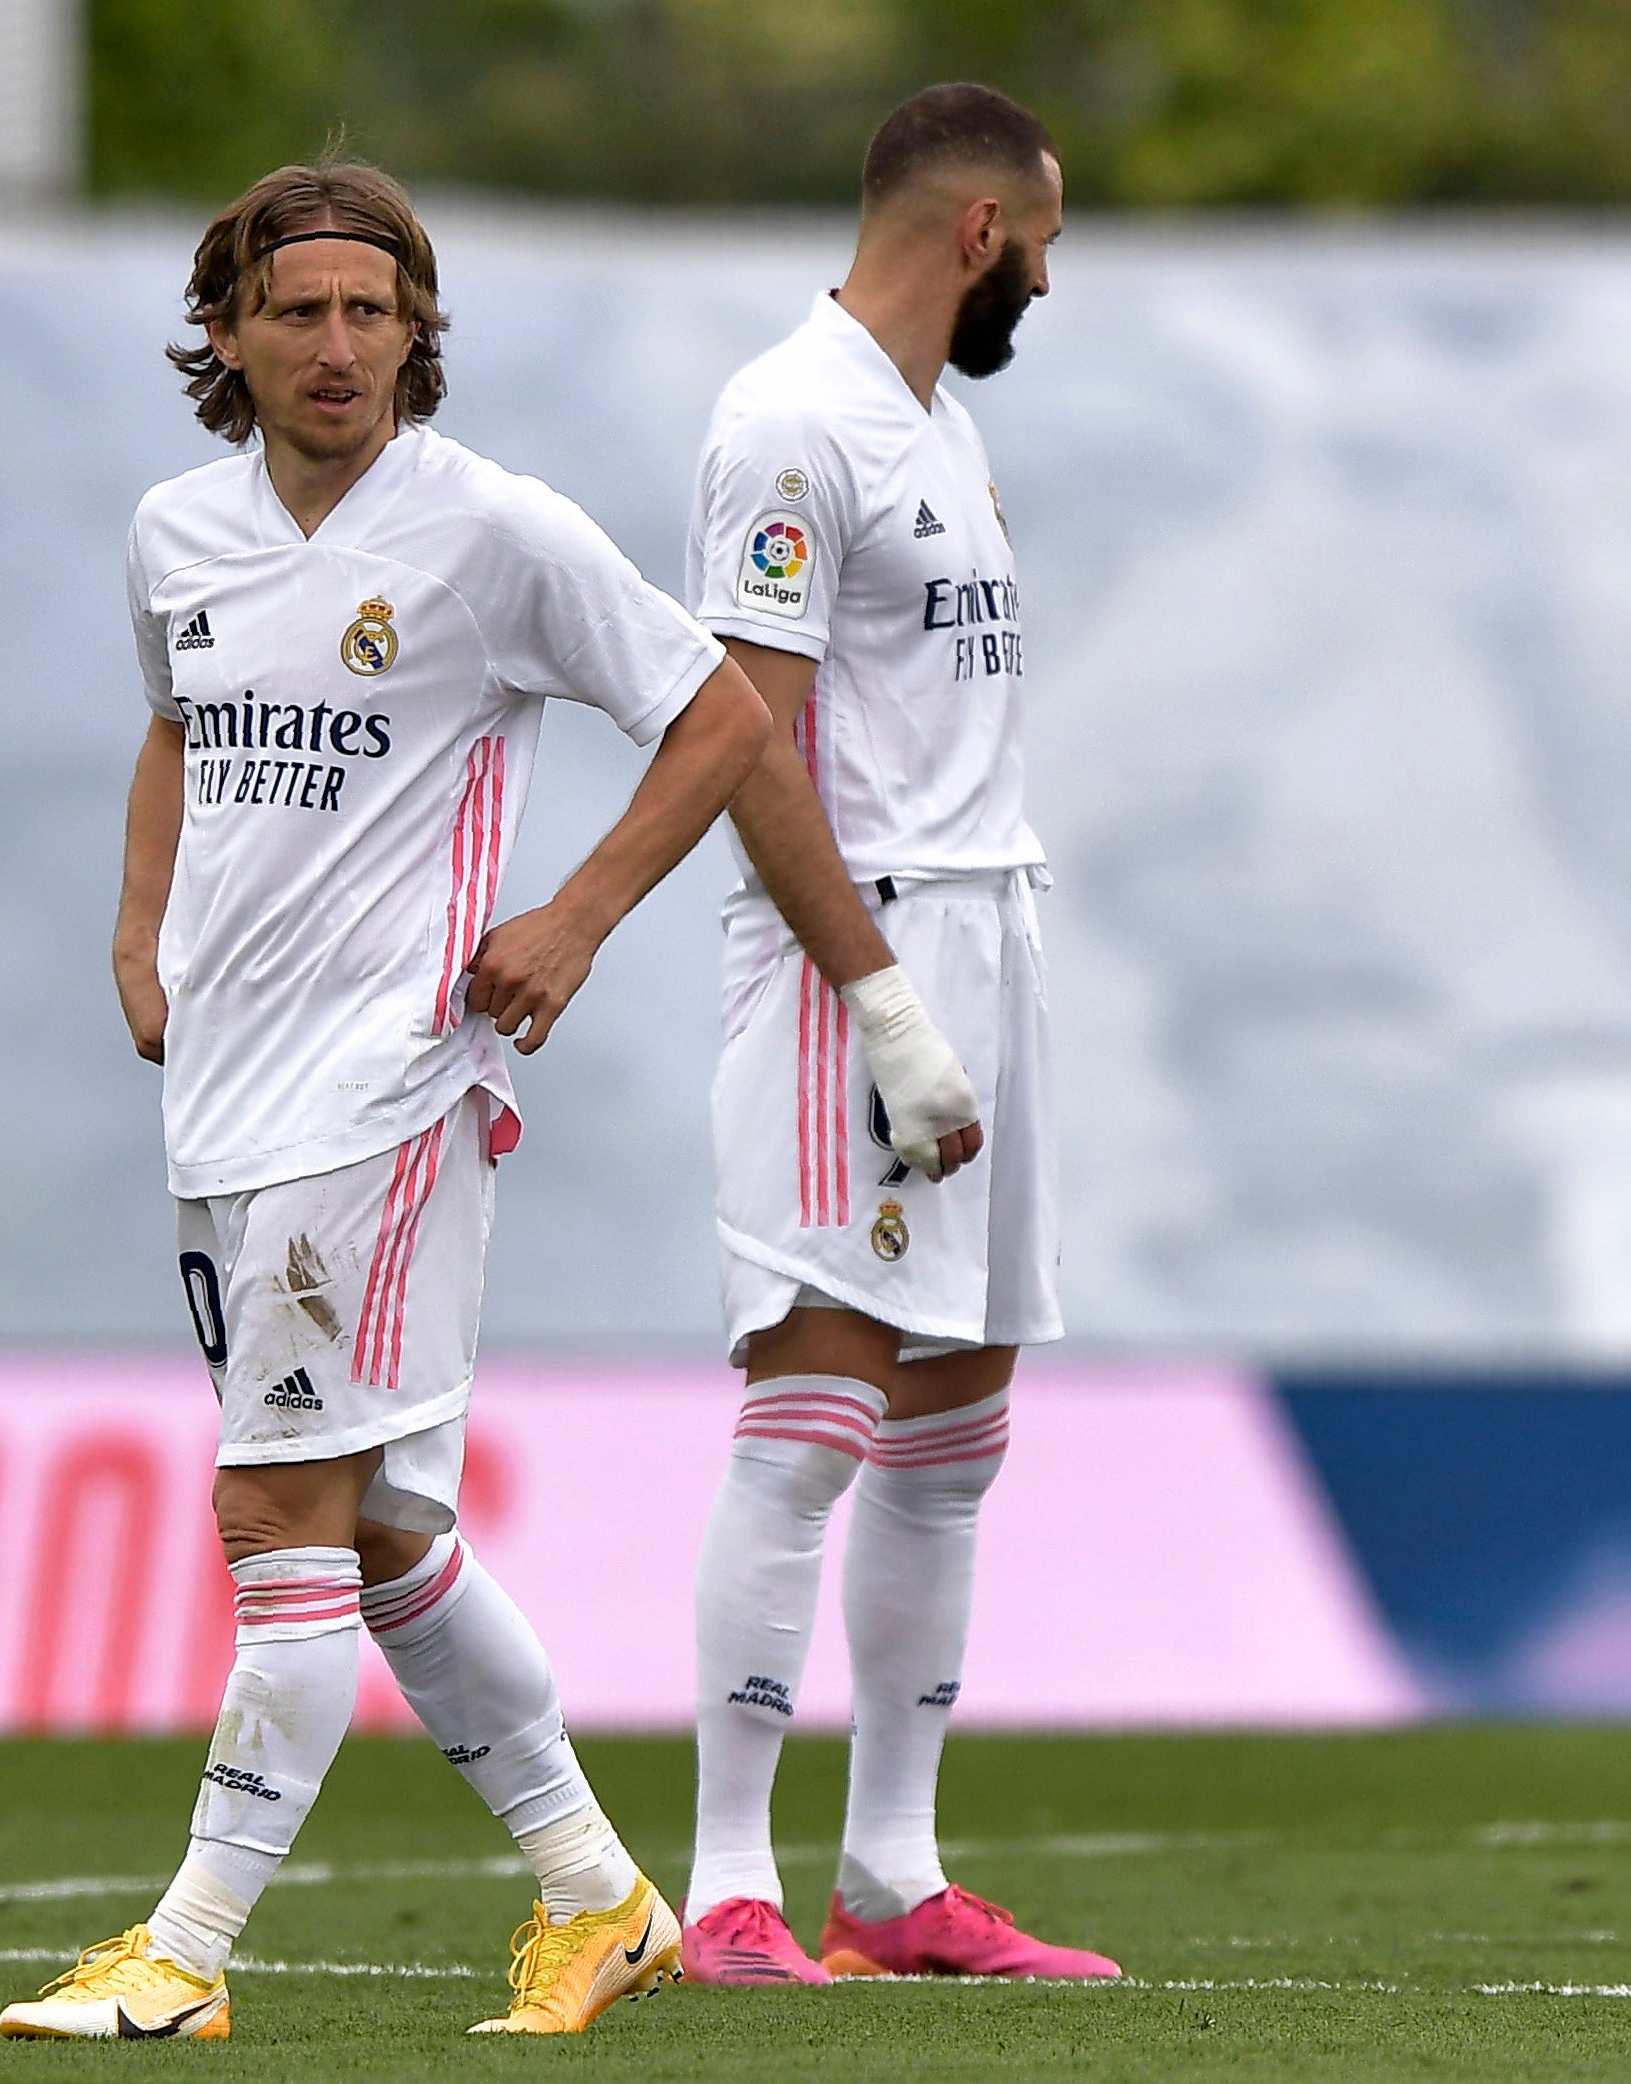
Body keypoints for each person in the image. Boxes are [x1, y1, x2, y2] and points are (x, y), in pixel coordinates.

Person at [0, 159, 767, 2042]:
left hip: (393, 1088)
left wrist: (573, 920)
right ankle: (598, 1900)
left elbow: (720, 711)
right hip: (227, 1101)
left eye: (371, 311)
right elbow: (178, 732)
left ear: (418, 331)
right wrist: (130, 924)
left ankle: (182, 1957)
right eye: (298, 312)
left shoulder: (489, 530)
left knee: (272, 1508)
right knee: (381, 1532)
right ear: (228, 336)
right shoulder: (173, 533)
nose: (337, 346)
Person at [674, 83, 1121, 1988]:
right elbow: (744, 746)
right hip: (847, 964)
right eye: (1043, 242)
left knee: (955, 1425)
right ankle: (720, 1890)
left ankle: (890, 1876)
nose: (1048, 277)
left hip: (988, 932)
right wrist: (877, 1001)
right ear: (975, 236)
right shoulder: (788, 422)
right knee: (813, 1414)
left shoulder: (941, 424)